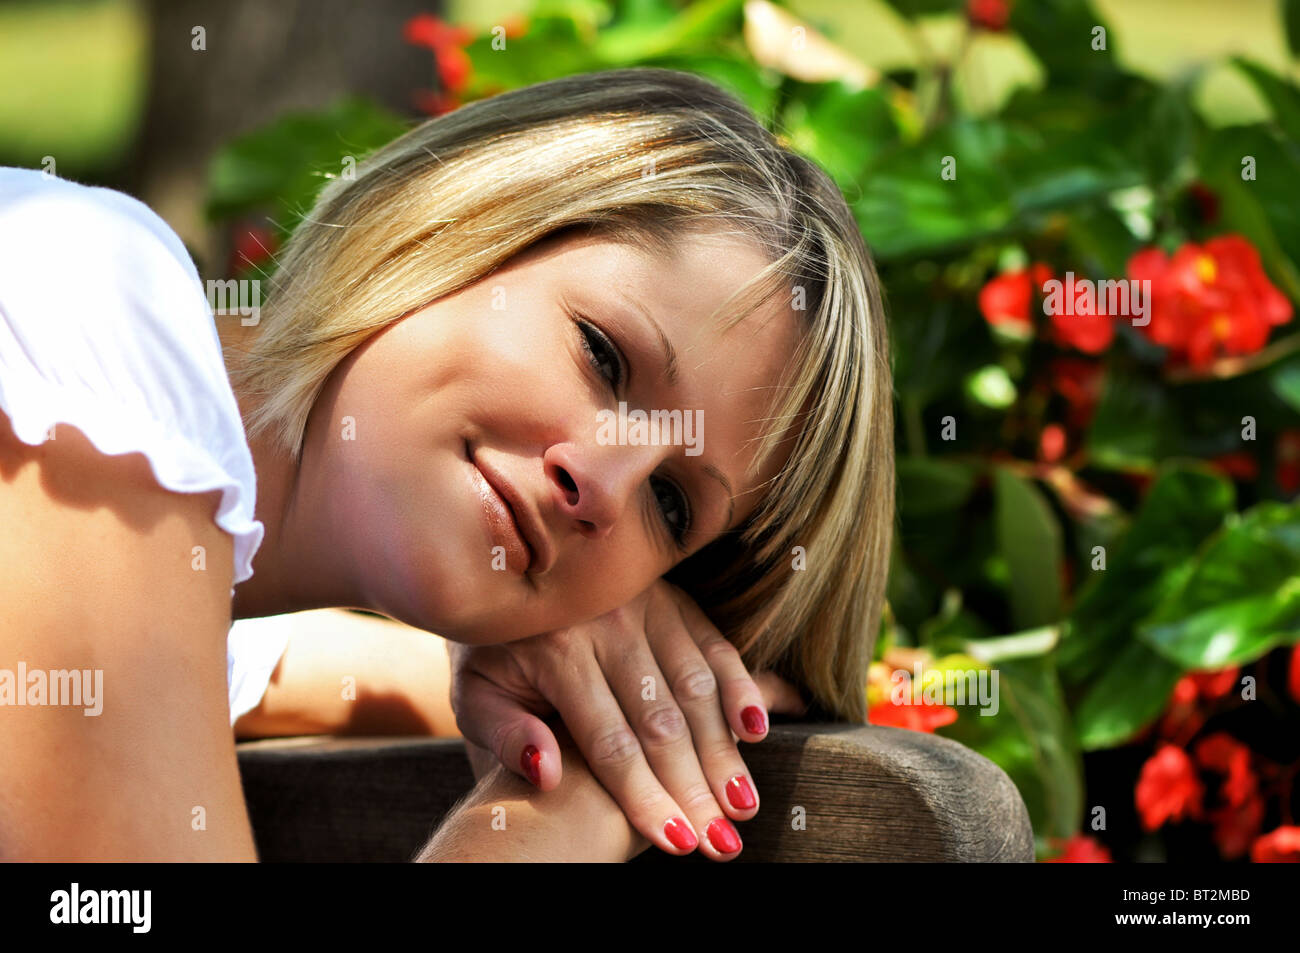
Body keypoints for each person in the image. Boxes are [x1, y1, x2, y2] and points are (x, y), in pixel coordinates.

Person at [0, 67, 893, 862]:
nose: (602, 488)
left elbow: (254, 660)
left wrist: (622, 710)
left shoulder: (166, 555)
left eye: (668, 502)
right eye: (604, 357)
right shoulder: (91, 314)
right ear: (463, 223)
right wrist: (555, 810)